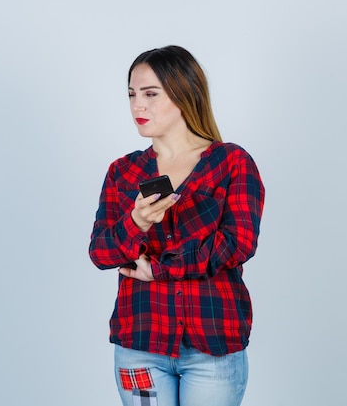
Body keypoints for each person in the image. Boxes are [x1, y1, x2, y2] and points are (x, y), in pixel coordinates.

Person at [88, 45, 265, 406]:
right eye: (132, 94)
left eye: (151, 94)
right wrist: (136, 222)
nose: (138, 106)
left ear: (185, 94)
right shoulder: (123, 172)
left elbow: (238, 243)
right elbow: (101, 253)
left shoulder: (232, 162)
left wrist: (159, 270)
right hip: (139, 345)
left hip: (213, 347)